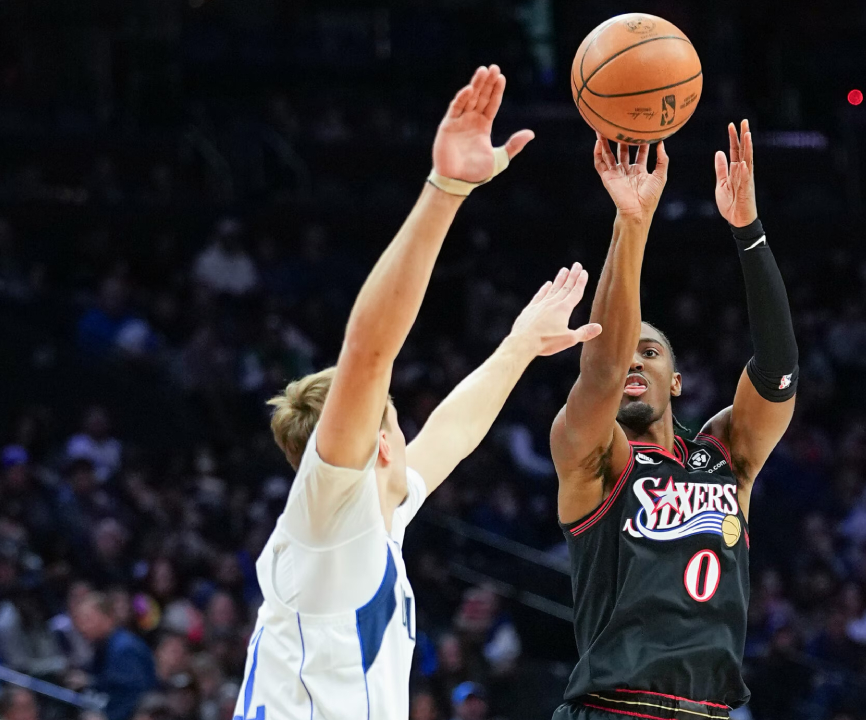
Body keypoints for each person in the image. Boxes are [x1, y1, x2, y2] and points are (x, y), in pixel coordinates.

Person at [232, 65, 596, 720]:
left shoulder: (376, 518)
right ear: (376, 443)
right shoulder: (330, 515)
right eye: (398, 426)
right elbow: (368, 354)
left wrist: (519, 347)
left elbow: (450, 437)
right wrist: (446, 189)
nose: (410, 440)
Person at [550, 121, 798, 719]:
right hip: (615, 708)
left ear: (677, 381)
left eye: (651, 351)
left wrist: (748, 230)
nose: (634, 358)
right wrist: (630, 224)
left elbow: (778, 371)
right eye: (627, 347)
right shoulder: (592, 454)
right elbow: (603, 370)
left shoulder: (724, 454)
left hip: (708, 711)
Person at [70, 594, 156, 720]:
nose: (82, 627)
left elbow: (136, 695)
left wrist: (107, 717)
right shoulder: (103, 646)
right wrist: (89, 681)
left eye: (88, 619)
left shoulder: (124, 648)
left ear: (107, 617)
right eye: (79, 621)